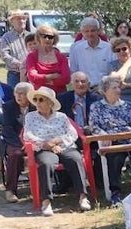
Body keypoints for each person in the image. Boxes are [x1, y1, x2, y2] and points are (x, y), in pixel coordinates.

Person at [23, 87, 91, 216]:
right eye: (35, 99)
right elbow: (28, 135)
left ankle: (83, 197)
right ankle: (46, 202)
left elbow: (72, 133)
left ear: (50, 102)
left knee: (75, 159)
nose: (37, 102)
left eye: (41, 99)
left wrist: (56, 141)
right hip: (43, 148)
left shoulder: (62, 116)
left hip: (63, 146)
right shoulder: (30, 117)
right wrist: (45, 144)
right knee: (46, 163)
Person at [90, 75, 131, 205]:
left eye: (118, 87)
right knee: (114, 157)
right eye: (114, 88)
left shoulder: (127, 105)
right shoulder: (96, 106)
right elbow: (93, 126)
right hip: (111, 139)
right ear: (104, 91)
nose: (118, 90)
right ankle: (116, 193)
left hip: (130, 138)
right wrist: (103, 135)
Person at [0, 82, 33, 202]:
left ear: (29, 95)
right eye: (16, 93)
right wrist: (22, 144)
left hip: (34, 141)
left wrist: (32, 143)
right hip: (14, 142)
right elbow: (7, 130)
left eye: (22, 94)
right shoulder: (8, 107)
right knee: (16, 154)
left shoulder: (36, 105)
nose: (18, 96)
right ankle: (10, 190)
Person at [24, 24, 71, 92]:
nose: (47, 39)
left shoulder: (62, 57)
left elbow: (66, 78)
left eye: (50, 37)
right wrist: (52, 76)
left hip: (60, 96)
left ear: (54, 39)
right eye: (44, 36)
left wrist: (47, 81)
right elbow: (32, 77)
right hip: (39, 96)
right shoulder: (32, 56)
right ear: (38, 38)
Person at [0, 12, 30, 87]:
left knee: (31, 96)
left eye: (24, 19)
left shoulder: (31, 36)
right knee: (15, 96)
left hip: (30, 73)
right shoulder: (7, 37)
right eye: (19, 19)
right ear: (12, 22)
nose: (22, 21)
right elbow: (4, 54)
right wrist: (20, 64)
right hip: (14, 74)